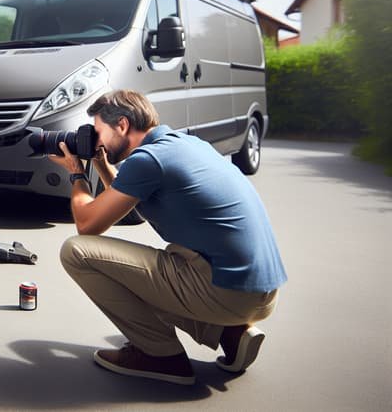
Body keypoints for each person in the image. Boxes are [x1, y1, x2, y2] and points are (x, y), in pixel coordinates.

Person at [48, 90, 286, 385]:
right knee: (155, 266)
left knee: (77, 251)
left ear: (122, 125)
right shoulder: (185, 144)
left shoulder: (148, 160)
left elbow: (87, 225)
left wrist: (76, 174)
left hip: (228, 294)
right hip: (259, 290)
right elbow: (133, 207)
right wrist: (100, 164)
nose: (97, 141)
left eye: (98, 132)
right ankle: (229, 334)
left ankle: (159, 355)